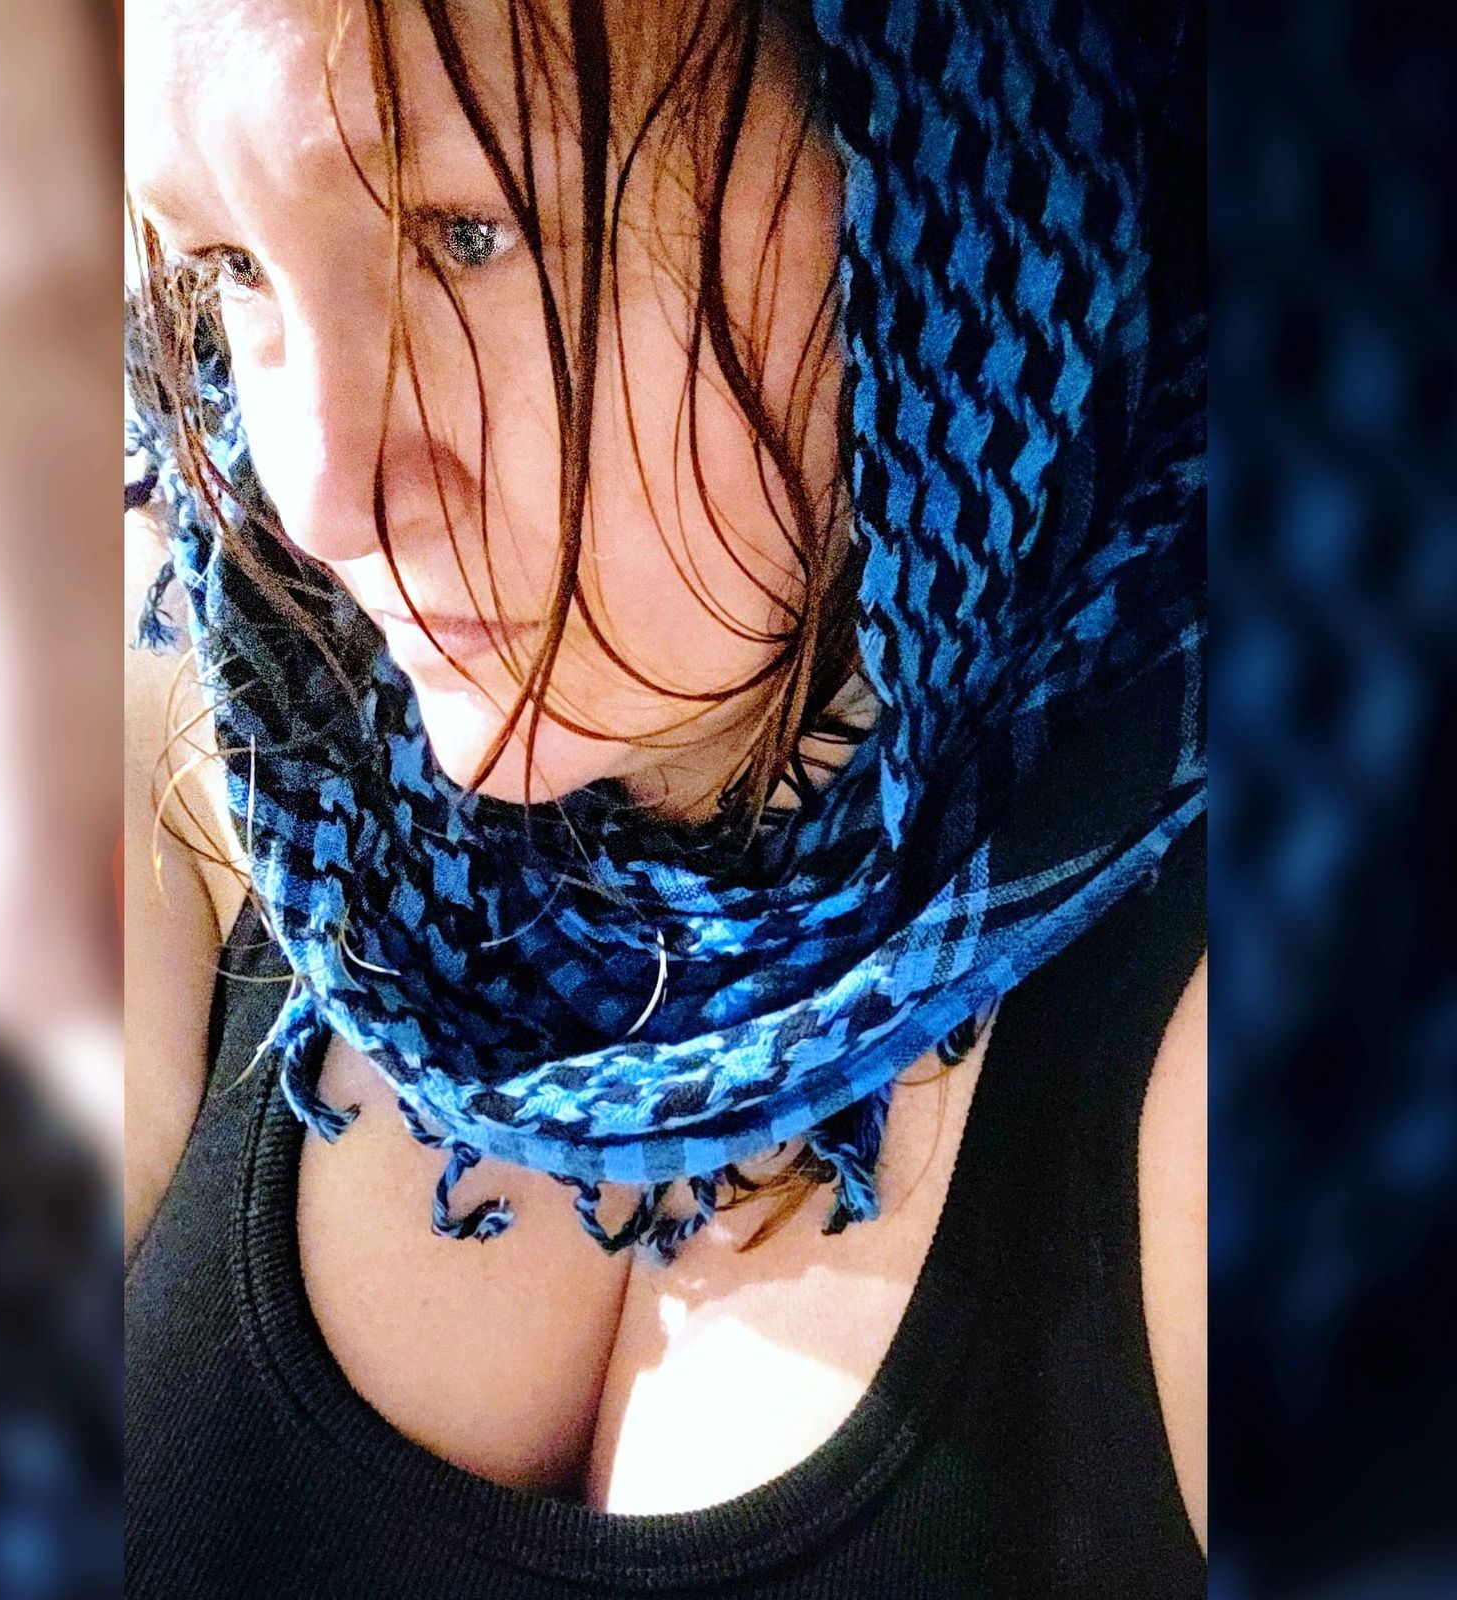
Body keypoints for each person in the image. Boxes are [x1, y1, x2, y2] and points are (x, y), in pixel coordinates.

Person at [124, 0, 1207, 1593]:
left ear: (957, 158)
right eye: (232, 267)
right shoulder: (222, 765)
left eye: (474, 235)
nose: (324, 495)